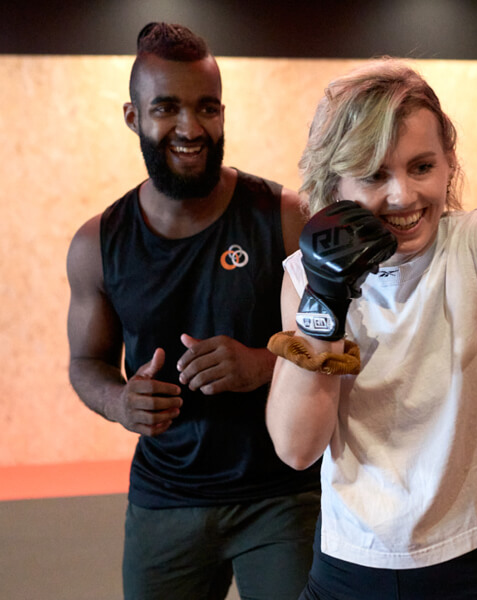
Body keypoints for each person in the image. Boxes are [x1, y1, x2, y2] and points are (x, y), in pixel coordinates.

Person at [265, 58, 477, 599]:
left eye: (421, 166)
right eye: (375, 175)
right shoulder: (303, 278)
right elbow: (296, 447)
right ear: (334, 182)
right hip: (349, 566)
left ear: (449, 164)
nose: (403, 196)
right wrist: (325, 300)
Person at [66, 22, 319, 600]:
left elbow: (346, 343)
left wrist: (262, 363)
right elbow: (86, 361)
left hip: (281, 495)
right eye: (167, 108)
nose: (190, 128)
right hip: (165, 500)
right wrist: (118, 400)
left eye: (207, 107)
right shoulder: (97, 245)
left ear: (223, 112)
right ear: (133, 117)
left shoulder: (283, 217)